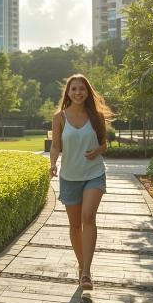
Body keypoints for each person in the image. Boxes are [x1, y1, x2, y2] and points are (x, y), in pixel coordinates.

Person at [49, 74, 111, 291]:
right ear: (68, 92)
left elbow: (104, 144)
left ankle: (86, 272)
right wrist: (53, 163)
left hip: (94, 173)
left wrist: (98, 150)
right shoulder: (60, 118)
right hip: (69, 176)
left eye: (82, 89)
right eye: (74, 89)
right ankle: (81, 265)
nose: (78, 93)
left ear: (87, 92)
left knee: (88, 217)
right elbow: (56, 145)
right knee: (75, 225)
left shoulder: (96, 117)